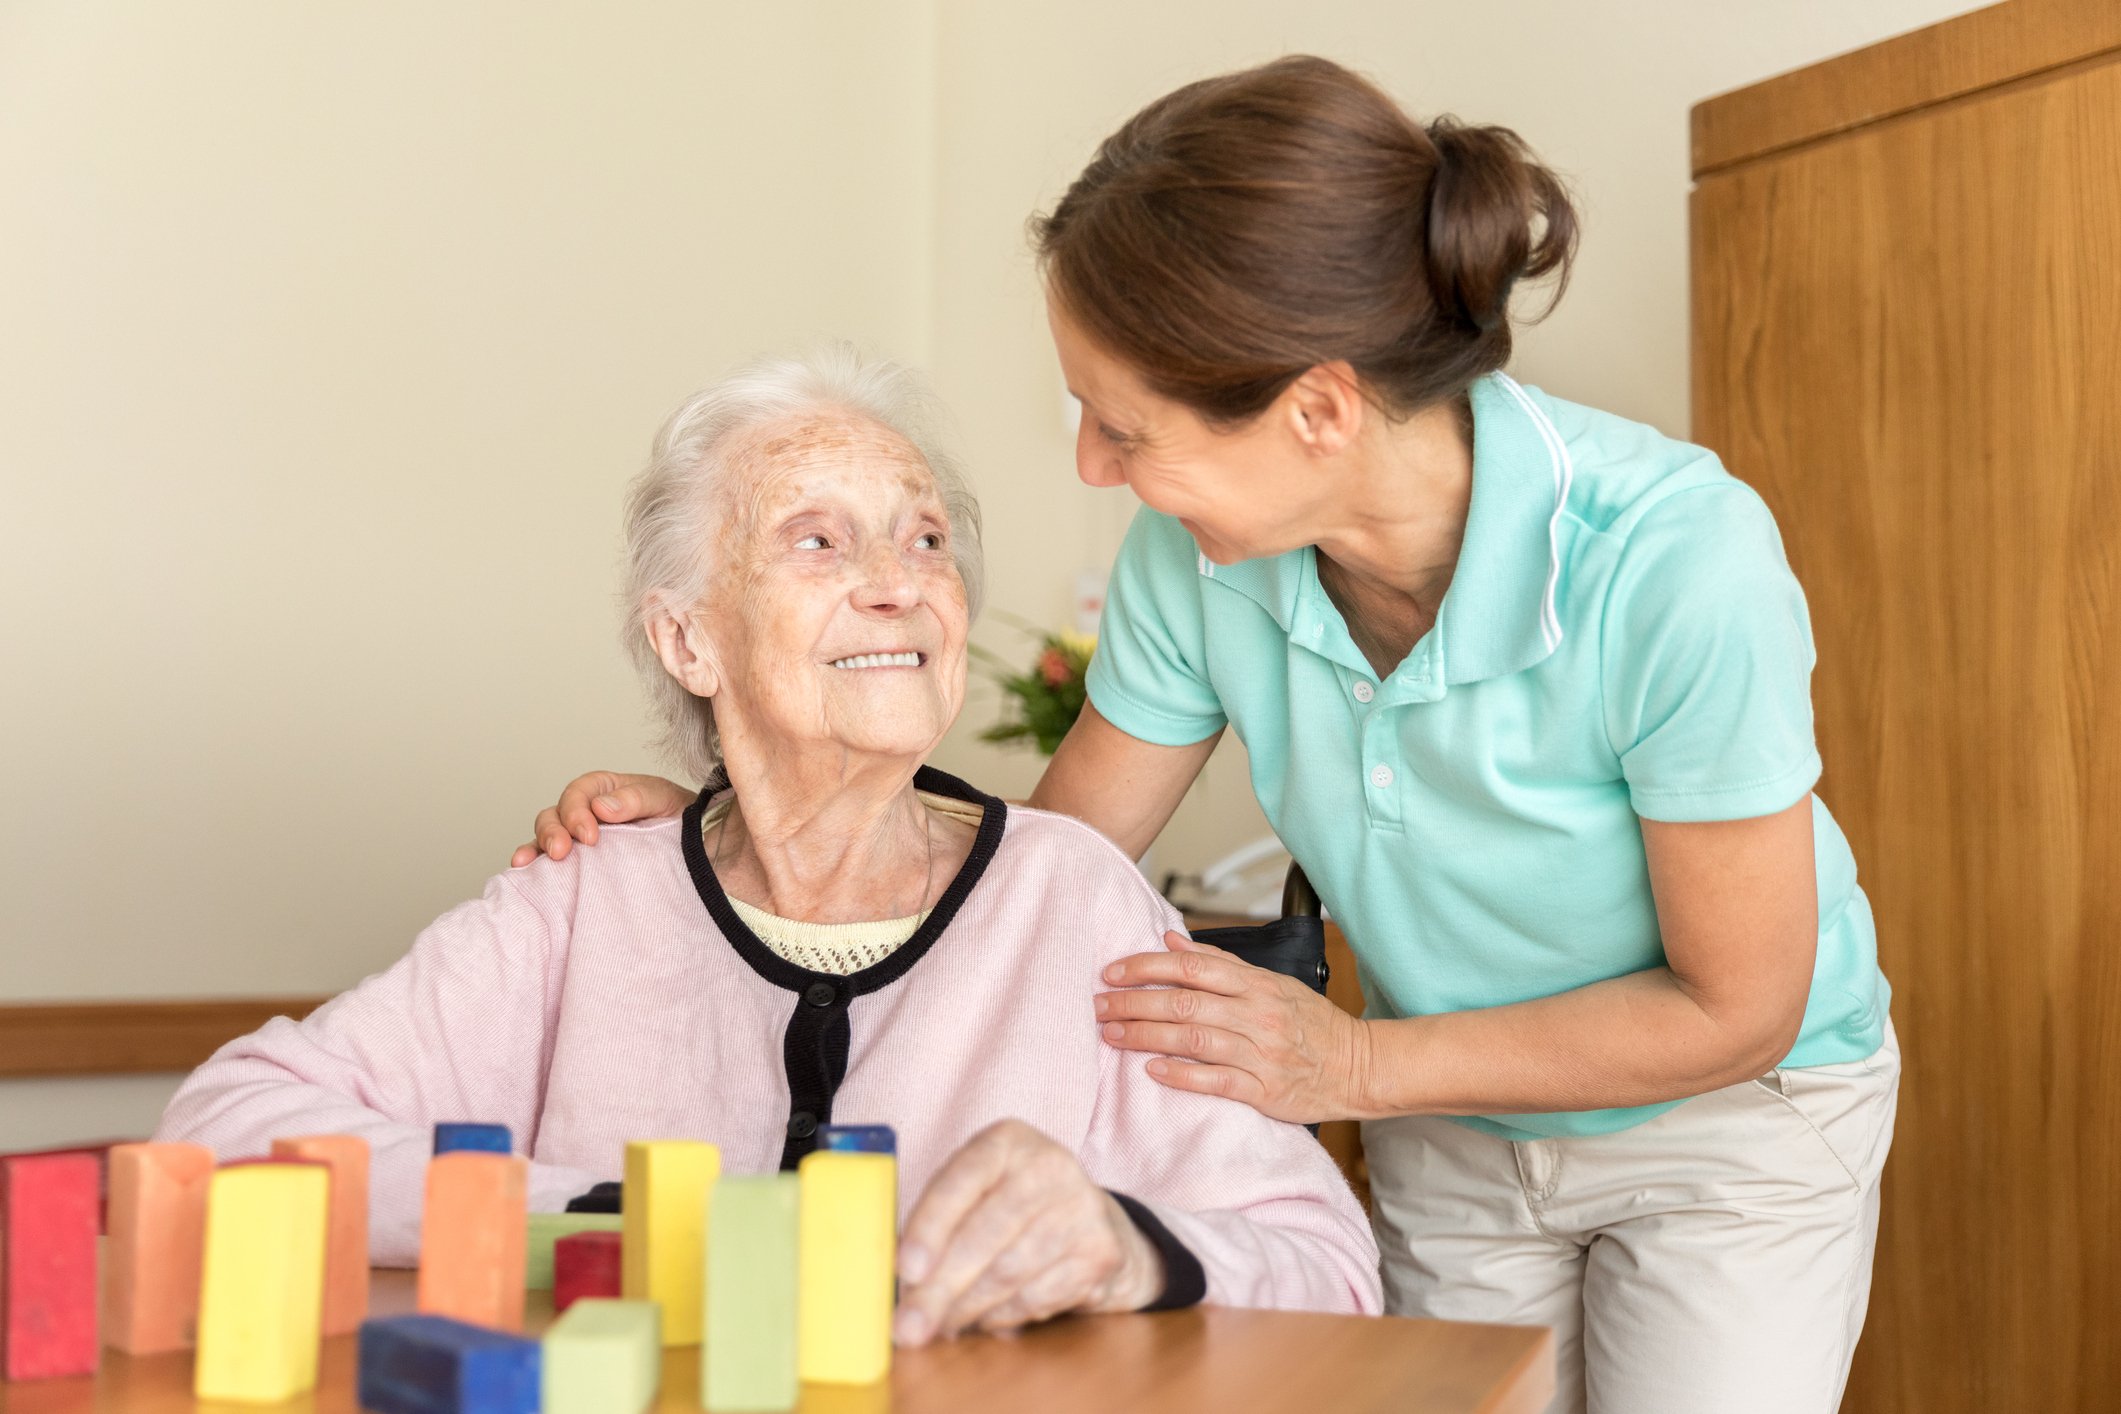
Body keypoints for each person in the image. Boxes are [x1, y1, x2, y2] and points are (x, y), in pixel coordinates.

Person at [516, 57, 1899, 1413]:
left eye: (1125, 428)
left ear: (1316, 410)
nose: (1091, 468)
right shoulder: (1202, 561)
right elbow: (1043, 870)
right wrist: (750, 825)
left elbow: (1738, 1005)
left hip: (1729, 1123)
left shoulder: (1670, 560)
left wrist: (1354, 1067)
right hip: (1454, 1125)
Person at [157, 346, 1381, 1346]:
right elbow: (225, 1125)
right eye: (818, 539)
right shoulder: (589, 898)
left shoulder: (1073, 900)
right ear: (690, 642)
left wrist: (1132, 1246)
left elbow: (1330, 1264)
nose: (897, 583)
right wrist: (631, 1221)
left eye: (926, 539)